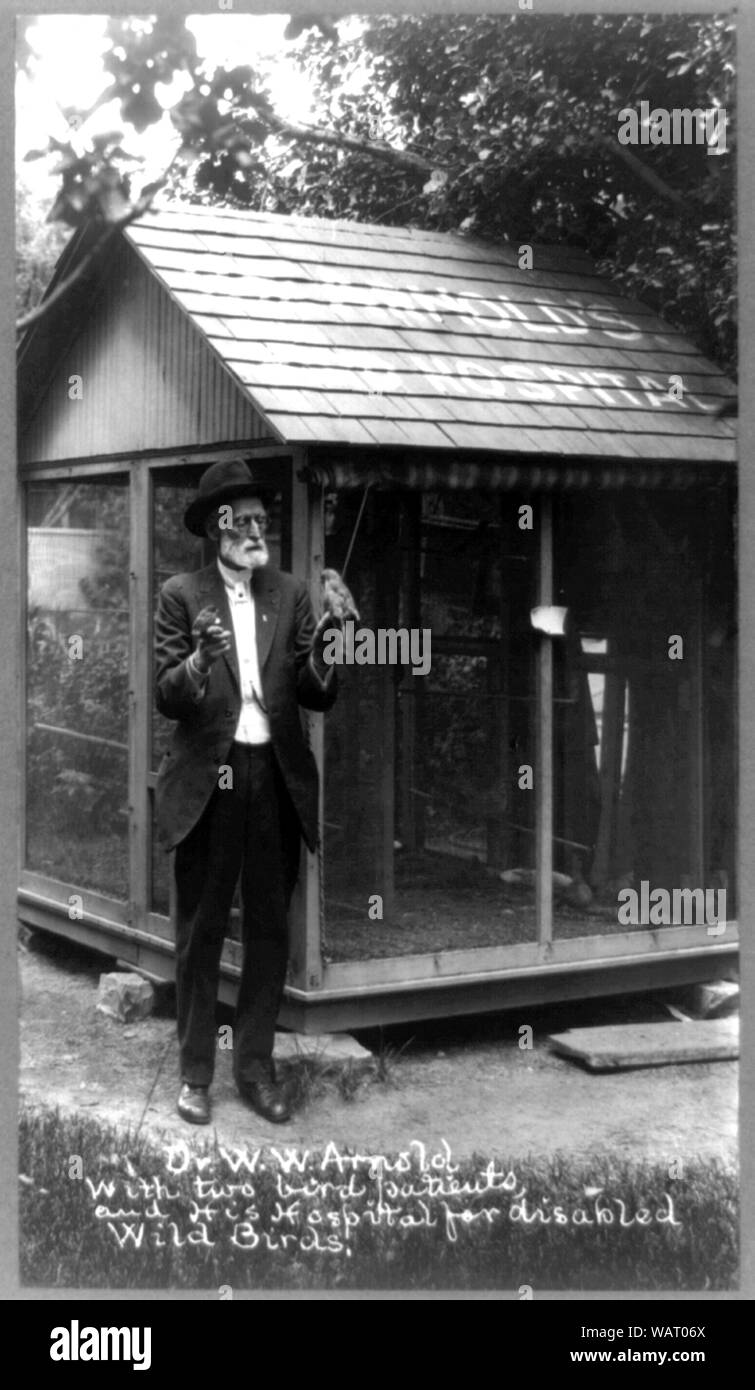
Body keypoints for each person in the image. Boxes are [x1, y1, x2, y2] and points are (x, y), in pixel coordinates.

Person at [154, 458, 354, 1126]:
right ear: (217, 526)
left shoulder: (291, 592)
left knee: (269, 929)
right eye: (245, 520)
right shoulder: (181, 593)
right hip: (210, 781)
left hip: (273, 777)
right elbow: (168, 697)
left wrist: (337, 633)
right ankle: (193, 1076)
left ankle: (256, 1070)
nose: (257, 529)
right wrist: (199, 661)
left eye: (262, 520)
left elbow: (312, 690)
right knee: (202, 929)